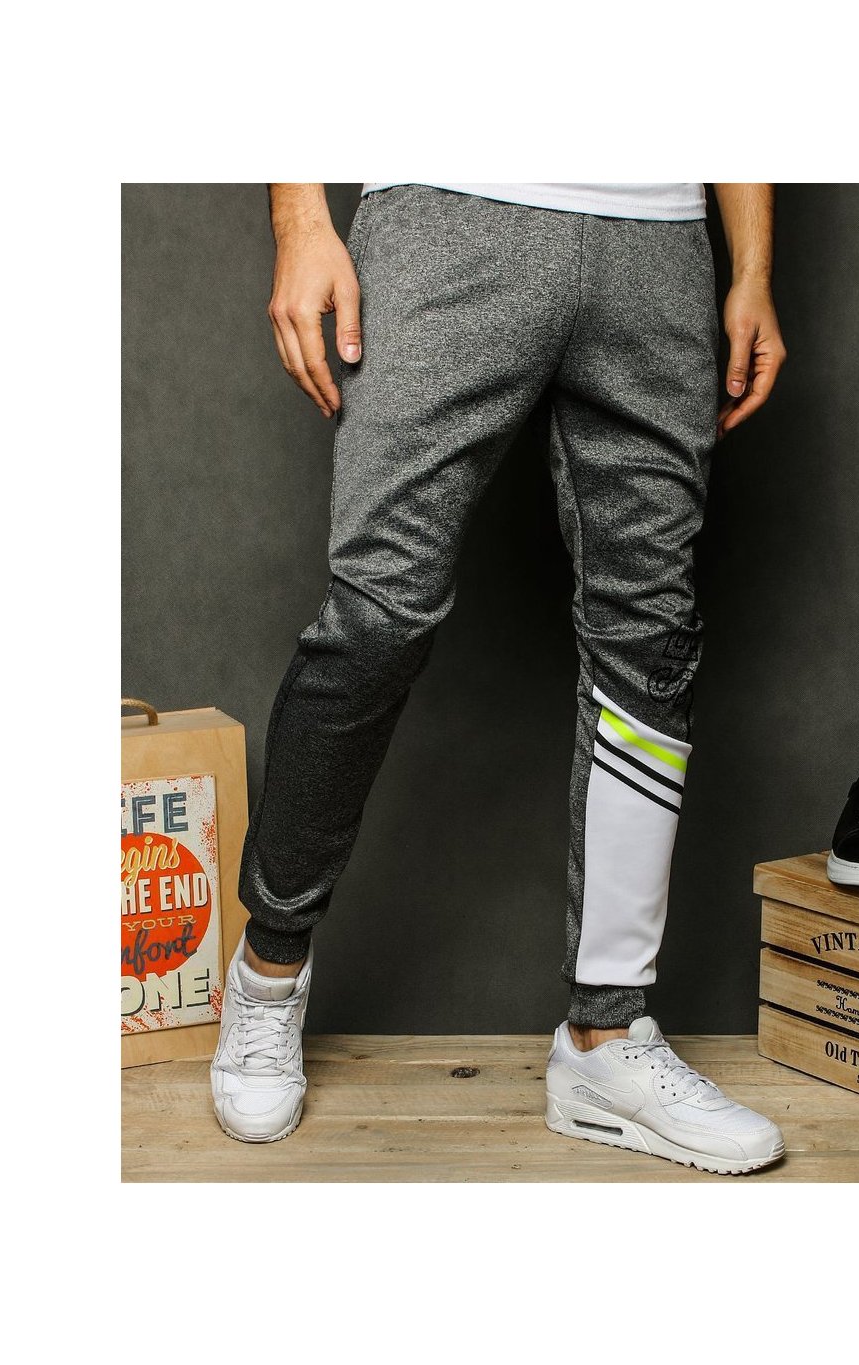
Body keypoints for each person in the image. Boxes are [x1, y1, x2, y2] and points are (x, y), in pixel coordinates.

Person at [211, 182, 788, 1175]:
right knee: (379, 614)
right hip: (452, 212)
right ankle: (268, 970)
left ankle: (605, 1036)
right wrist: (300, 220)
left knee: (651, 635)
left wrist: (754, 269)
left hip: (657, 242)